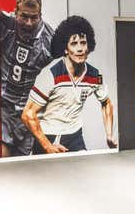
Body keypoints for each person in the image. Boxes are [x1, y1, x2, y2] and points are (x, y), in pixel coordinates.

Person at [22, 15, 117, 154]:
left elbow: (106, 103)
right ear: (65, 49)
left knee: (83, 166)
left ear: (89, 46)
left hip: (74, 136)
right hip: (48, 136)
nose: (80, 49)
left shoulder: (96, 75)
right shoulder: (51, 75)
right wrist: (47, 146)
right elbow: (27, 114)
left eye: (83, 43)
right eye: (74, 44)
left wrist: (109, 134)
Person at [0, 0, 54, 156]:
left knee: (23, 161)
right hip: (7, 107)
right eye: (24, 16)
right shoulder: (6, 24)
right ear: (15, 12)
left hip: (31, 110)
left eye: (34, 17)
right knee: (4, 157)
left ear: (40, 15)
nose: (29, 23)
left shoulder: (50, 40)